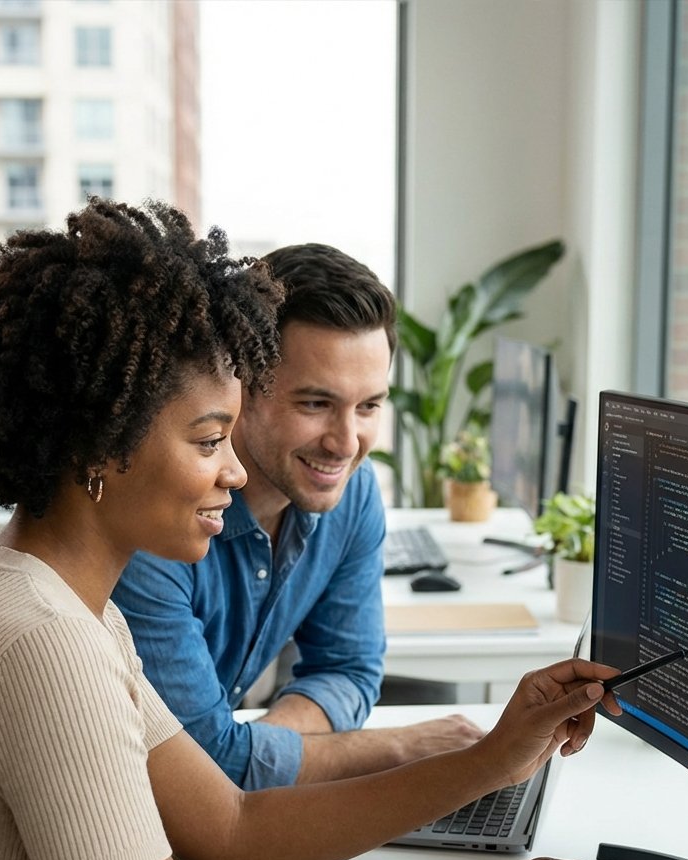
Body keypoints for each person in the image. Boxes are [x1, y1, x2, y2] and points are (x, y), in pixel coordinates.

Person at [0, 199, 621, 860]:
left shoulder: (67, 607)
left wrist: (494, 760)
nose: (234, 475)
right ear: (100, 448)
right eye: (208, 441)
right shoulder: (41, 647)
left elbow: (233, 828)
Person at [113, 242, 479, 789]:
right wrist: (402, 745)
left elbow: (347, 670)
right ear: (242, 388)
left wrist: (255, 752)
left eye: (369, 406)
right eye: (315, 404)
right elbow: (204, 762)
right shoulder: (153, 522)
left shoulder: (349, 496)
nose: (346, 443)